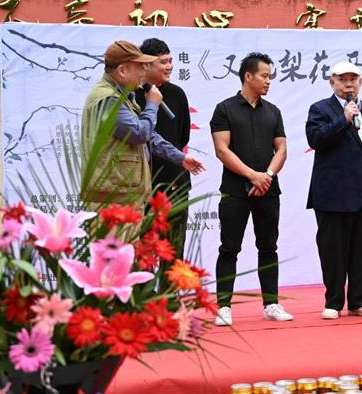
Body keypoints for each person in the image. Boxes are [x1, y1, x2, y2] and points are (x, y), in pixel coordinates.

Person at [210, 52, 292, 326]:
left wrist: (266, 176)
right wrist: (252, 175)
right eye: (264, 76)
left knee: (268, 247)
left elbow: (281, 149)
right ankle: (223, 306)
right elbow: (222, 150)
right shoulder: (224, 109)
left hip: (268, 190)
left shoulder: (273, 111)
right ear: (248, 76)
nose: (268, 81)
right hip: (235, 191)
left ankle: (271, 303)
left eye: (270, 77)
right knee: (229, 248)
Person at [81, 40, 203, 210]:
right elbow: (140, 134)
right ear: (122, 70)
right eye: (140, 67)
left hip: (124, 195)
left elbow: (150, 136)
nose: (143, 72)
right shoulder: (108, 98)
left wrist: (180, 158)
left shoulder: (122, 95)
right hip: (113, 199)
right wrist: (152, 104)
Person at [306, 61, 362, 320]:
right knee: (333, 251)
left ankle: (360, 300)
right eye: (342, 79)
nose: (348, 83)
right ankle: (334, 301)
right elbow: (316, 140)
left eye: (353, 79)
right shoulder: (320, 109)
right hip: (333, 193)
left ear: (360, 82)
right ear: (332, 82)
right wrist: (344, 119)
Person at [135, 38, 193, 256]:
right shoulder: (132, 95)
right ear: (146, 65)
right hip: (143, 183)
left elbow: (183, 136)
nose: (169, 66)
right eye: (163, 62)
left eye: (170, 61)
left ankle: (171, 281)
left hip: (175, 179)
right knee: (143, 250)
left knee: (173, 249)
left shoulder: (177, 94)